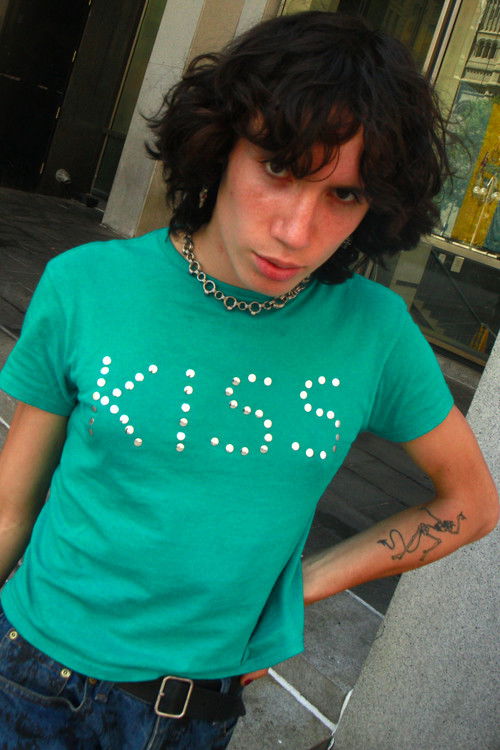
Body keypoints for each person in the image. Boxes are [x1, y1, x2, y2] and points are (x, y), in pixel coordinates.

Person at [0, 11, 497, 750]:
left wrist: (297, 591)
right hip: (34, 677)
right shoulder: (86, 285)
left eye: (344, 195)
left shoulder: (375, 333)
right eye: (278, 169)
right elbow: (11, 506)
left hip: (195, 714)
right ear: (222, 144)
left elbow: (471, 503)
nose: (296, 230)